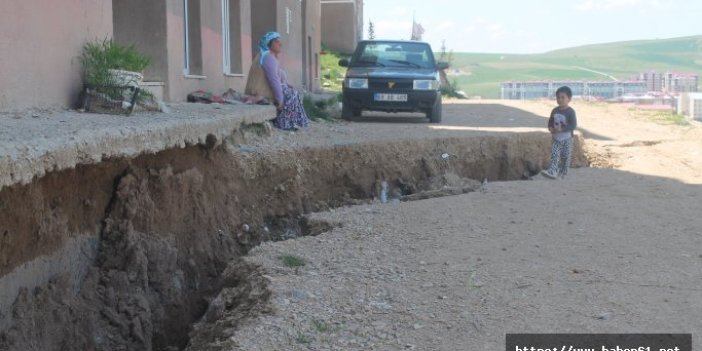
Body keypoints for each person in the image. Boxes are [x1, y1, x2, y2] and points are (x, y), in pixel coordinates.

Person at [250, 31, 309, 131]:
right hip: (268, 92)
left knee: (294, 92)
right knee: (292, 95)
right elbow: (273, 80)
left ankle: (290, 121)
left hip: (276, 88)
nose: (280, 44)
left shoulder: (271, 57)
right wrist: (280, 100)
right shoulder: (268, 58)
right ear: (269, 44)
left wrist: (286, 84)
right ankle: (283, 123)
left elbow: (279, 78)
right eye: (277, 42)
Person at [541, 86, 577, 179]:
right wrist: (550, 128)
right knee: (554, 154)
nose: (560, 100)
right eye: (558, 97)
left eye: (562, 97)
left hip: (567, 138)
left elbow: (573, 125)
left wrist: (563, 129)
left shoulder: (571, 112)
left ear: (569, 99)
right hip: (556, 137)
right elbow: (550, 121)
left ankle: (563, 173)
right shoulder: (554, 110)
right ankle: (552, 171)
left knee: (565, 156)